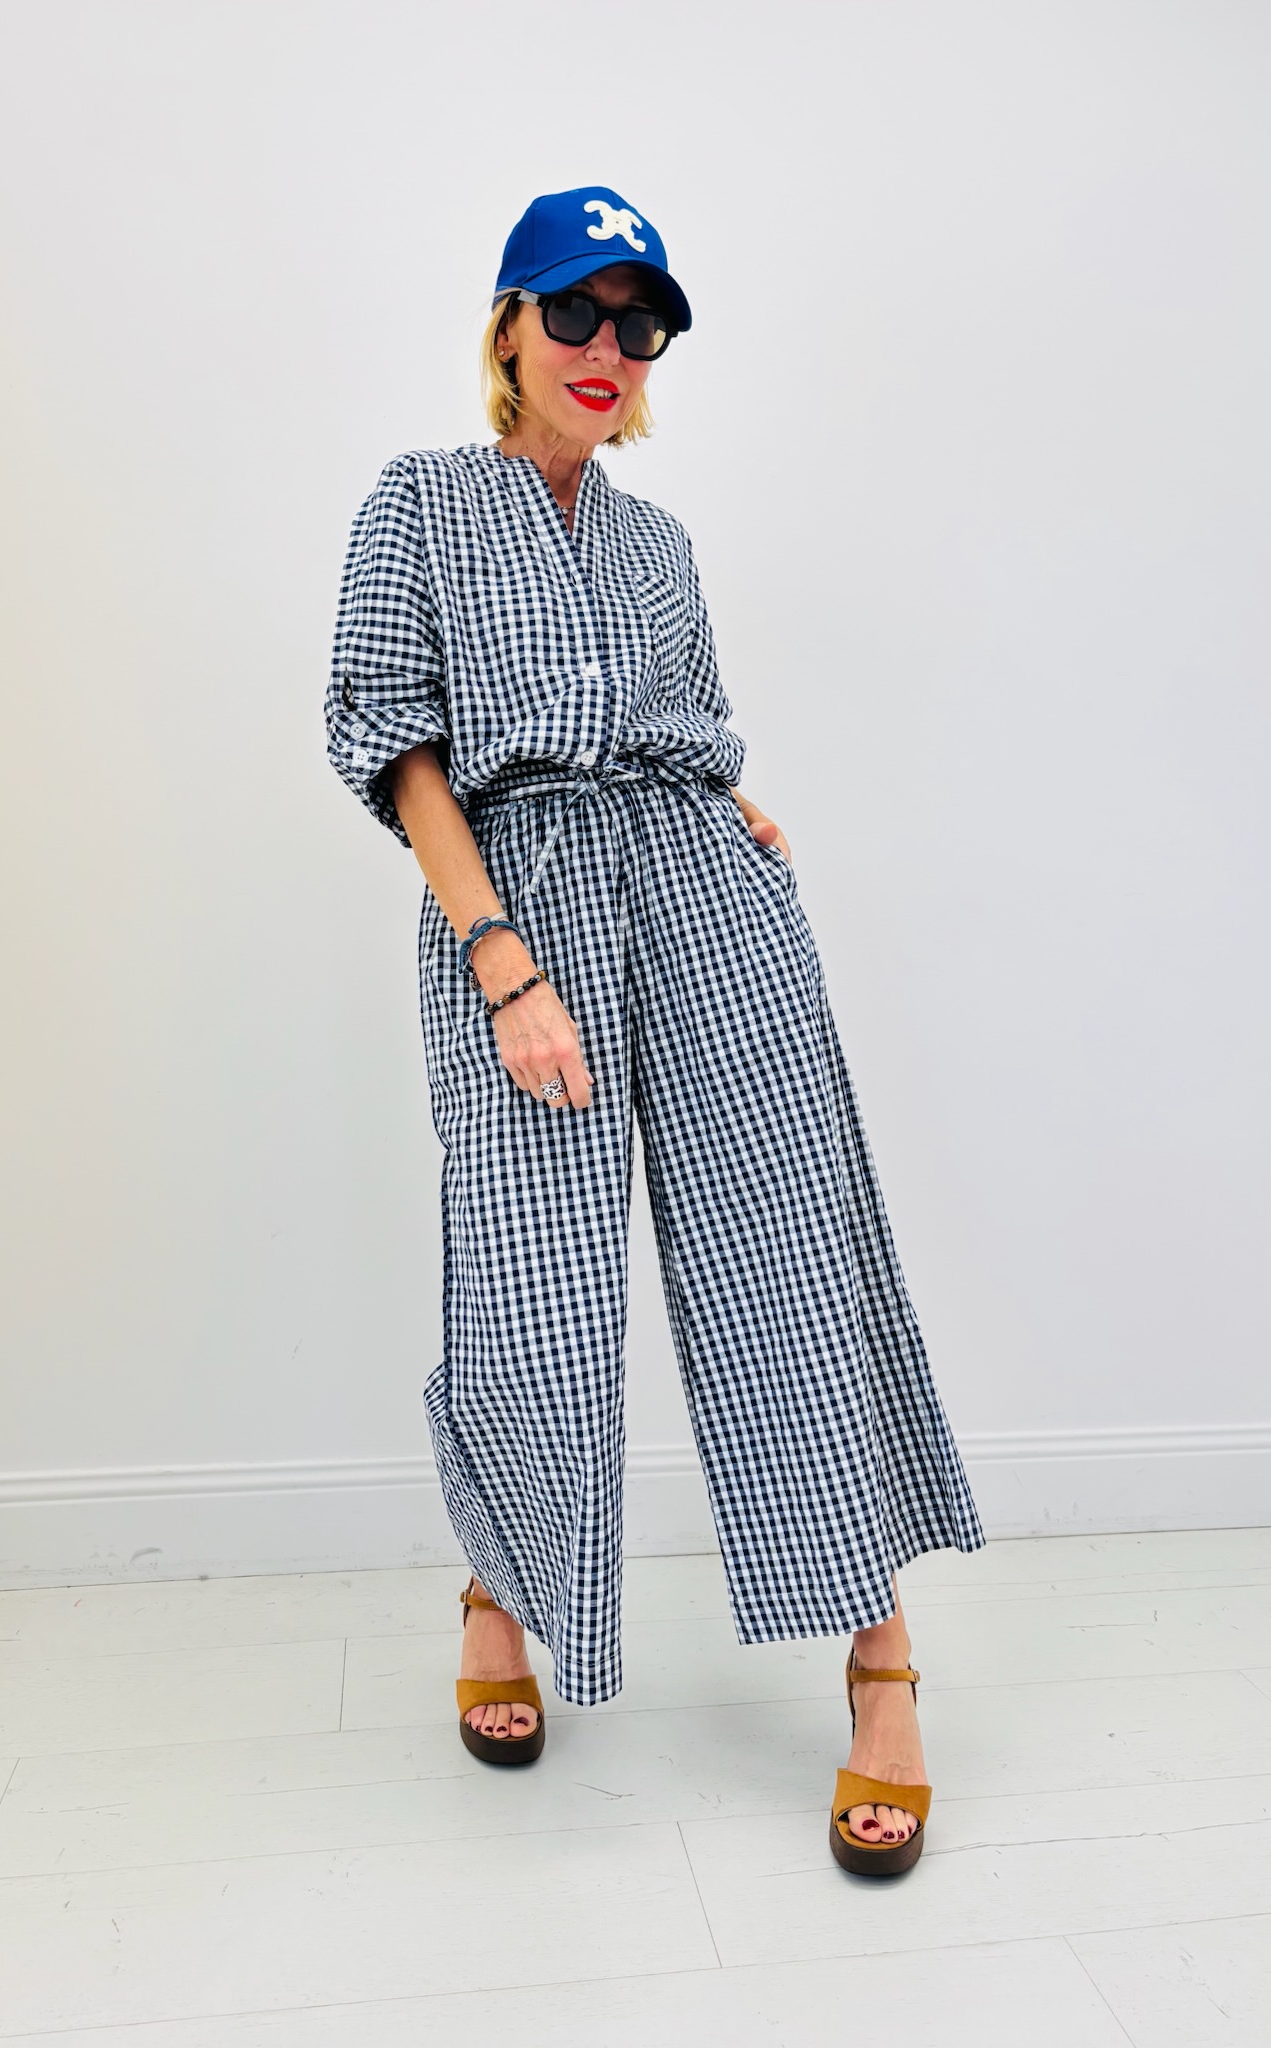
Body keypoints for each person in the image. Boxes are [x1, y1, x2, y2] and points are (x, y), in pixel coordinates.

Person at [324, 185, 986, 1876]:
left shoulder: (661, 544)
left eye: (641, 325)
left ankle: (881, 1656)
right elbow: (395, 746)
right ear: (509, 328)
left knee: (790, 1259)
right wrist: (501, 957)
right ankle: (500, 1587)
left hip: (701, 890)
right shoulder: (418, 501)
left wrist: (731, 806)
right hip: (519, 898)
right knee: (529, 1291)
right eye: (576, 312)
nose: (608, 350)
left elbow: (687, 727)